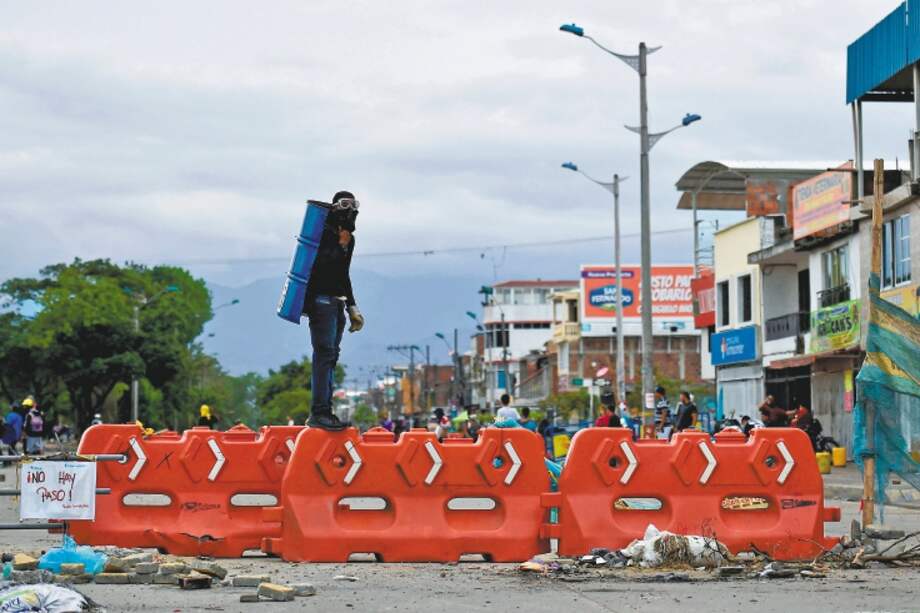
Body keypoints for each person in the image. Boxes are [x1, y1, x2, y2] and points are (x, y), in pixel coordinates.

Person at [303, 191, 364, 431]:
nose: (350, 210)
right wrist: (340, 244)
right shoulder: (324, 235)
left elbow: (343, 274)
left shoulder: (349, 238)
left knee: (332, 357)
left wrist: (352, 306)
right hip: (320, 301)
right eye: (345, 205)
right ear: (335, 207)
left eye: (354, 205)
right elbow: (321, 267)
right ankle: (319, 412)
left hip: (337, 303)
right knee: (324, 355)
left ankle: (326, 411)